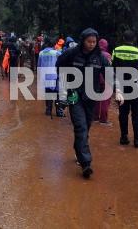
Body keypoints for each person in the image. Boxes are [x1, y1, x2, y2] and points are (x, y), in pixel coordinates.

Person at [57, 28, 123, 178]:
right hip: (74, 95)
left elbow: (110, 74)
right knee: (80, 126)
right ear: (83, 40)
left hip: (91, 96)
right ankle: (86, 163)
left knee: (86, 126)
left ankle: (78, 148)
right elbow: (59, 64)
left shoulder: (99, 57)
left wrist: (118, 90)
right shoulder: (72, 53)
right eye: (89, 41)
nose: (92, 44)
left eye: (94, 42)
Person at [112, 30, 138, 148]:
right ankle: (137, 140)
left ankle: (124, 137)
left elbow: (111, 68)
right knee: (137, 113)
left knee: (123, 112)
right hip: (135, 86)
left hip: (121, 86)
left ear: (123, 38)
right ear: (134, 39)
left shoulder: (116, 50)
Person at [37, 38, 63, 117]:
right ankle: (59, 111)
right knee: (57, 93)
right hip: (55, 75)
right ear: (54, 44)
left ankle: (48, 110)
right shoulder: (57, 53)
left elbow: (39, 65)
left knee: (48, 92)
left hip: (45, 76)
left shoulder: (41, 53)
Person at [95, 38, 112, 125]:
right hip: (106, 79)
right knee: (105, 99)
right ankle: (103, 119)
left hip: (96, 79)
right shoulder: (108, 55)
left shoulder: (95, 54)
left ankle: (95, 117)